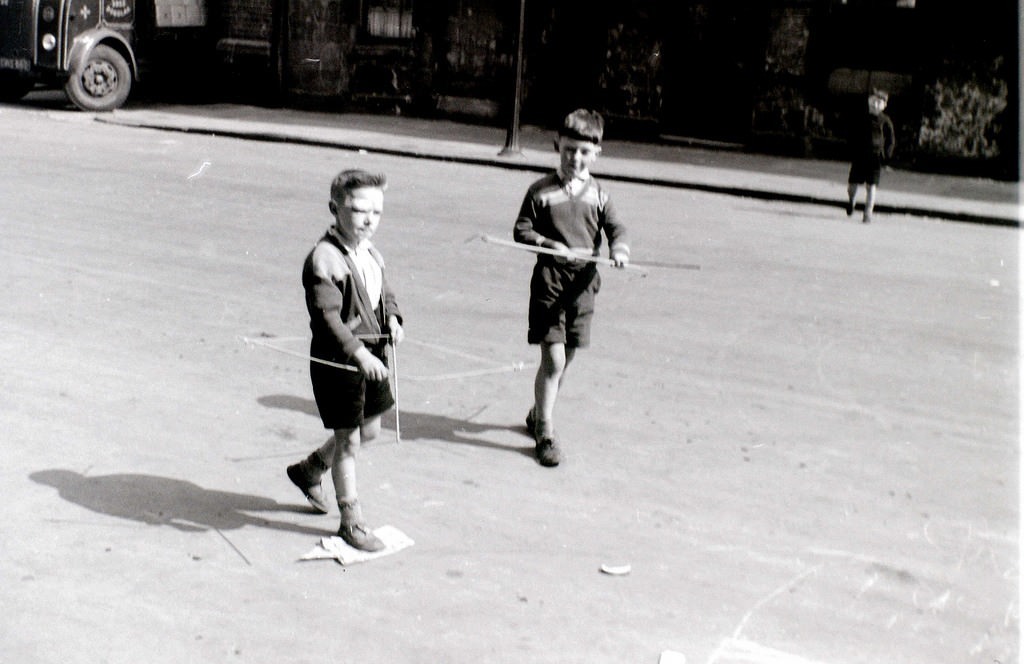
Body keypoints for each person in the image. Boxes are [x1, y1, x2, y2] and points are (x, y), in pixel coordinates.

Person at [286, 169, 404, 551]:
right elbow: (327, 318)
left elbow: (384, 293)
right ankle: (350, 521)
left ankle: (311, 469)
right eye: (359, 210)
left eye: (378, 213)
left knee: (369, 432)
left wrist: (395, 320)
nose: (370, 220)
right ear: (334, 208)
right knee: (349, 441)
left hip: (374, 356)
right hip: (340, 361)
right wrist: (358, 354)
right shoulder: (324, 259)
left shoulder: (370, 251)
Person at [512, 109, 630, 467]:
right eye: (568, 150)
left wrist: (620, 249)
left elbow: (617, 230)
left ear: (596, 153)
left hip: (583, 285)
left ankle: (537, 412)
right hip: (550, 282)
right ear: (557, 147)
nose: (575, 158)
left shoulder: (600, 196)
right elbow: (521, 230)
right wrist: (548, 244)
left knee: (568, 357)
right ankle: (545, 430)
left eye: (583, 151)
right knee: (554, 358)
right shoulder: (540, 191)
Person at [846, 89, 896, 224]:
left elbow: (891, 140)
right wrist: (851, 149)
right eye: (873, 101)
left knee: (871, 186)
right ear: (868, 102)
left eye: (879, 103)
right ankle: (851, 200)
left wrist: (887, 156)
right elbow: (851, 134)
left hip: (875, 157)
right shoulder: (860, 117)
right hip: (859, 155)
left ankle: (867, 213)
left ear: (884, 105)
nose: (875, 105)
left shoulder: (885, 121)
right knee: (852, 184)